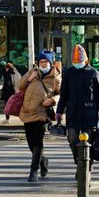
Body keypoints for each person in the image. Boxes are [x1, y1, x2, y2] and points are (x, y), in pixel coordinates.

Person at [56, 44, 99, 178]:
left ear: (85, 60)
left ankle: (86, 168)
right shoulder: (68, 73)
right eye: (75, 62)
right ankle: (79, 164)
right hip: (73, 114)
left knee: (88, 143)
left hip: (89, 114)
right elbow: (64, 95)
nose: (77, 64)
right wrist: (59, 112)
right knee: (73, 140)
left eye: (79, 61)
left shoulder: (93, 73)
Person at [18, 50, 61, 182]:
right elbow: (20, 86)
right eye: (41, 62)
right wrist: (29, 78)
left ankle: (33, 171)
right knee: (31, 144)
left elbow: (62, 94)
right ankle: (43, 161)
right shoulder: (32, 72)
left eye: (45, 62)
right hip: (27, 112)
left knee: (37, 143)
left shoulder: (55, 77)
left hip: (42, 114)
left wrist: (53, 100)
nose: (43, 64)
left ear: (50, 63)